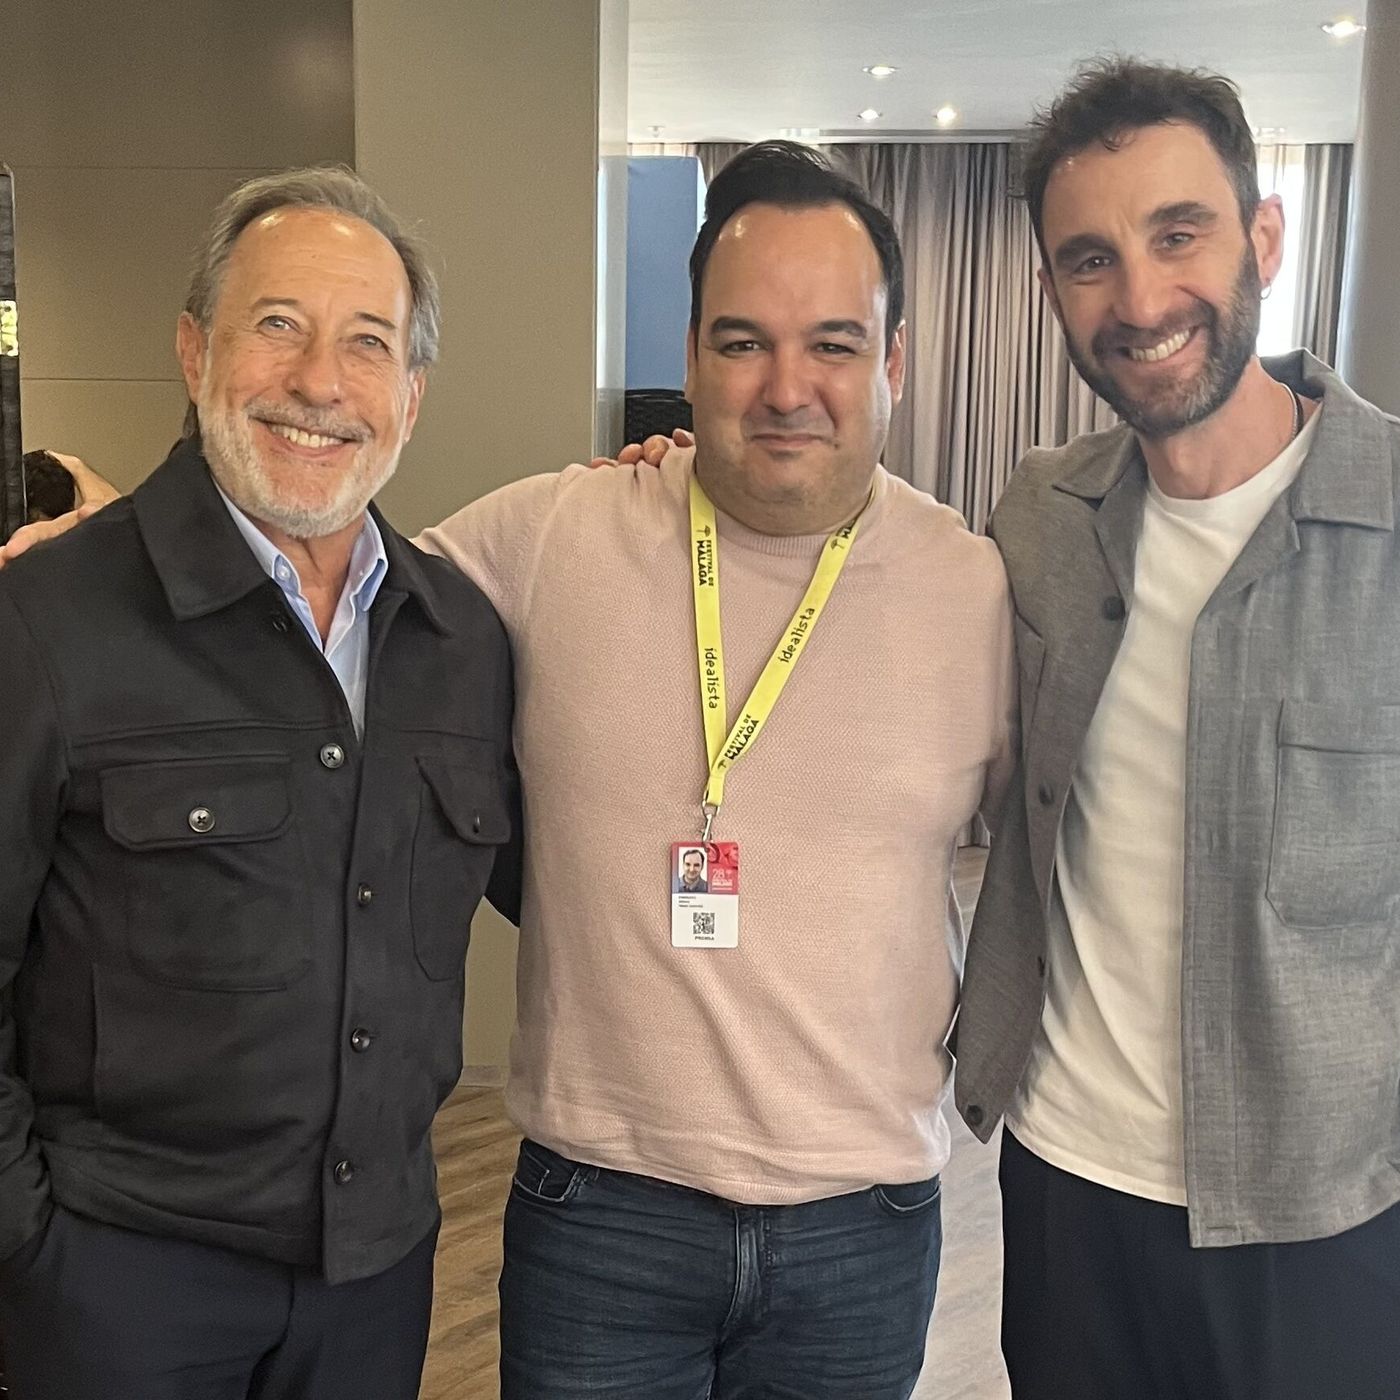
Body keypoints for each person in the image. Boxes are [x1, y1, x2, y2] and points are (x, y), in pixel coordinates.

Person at [10, 143, 1014, 1398]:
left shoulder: (978, 589)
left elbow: (1059, 857)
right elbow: (298, 574)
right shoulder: (546, 536)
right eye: (742, 340)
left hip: (861, 1221)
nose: (785, 386)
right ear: (689, 354)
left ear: (896, 361)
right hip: (598, 1215)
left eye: (833, 343)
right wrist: (90, 551)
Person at [0, 168, 518, 1400]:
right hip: (116, 1293)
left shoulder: (464, 643)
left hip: (376, 1286)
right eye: (277, 324)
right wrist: (29, 1251)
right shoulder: (47, 622)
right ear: (194, 351)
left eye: (367, 344)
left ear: (412, 394)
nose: (321, 382)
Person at [952, 58, 1400, 1399]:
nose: (1142, 302)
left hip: (1323, 1217)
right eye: (1090, 260)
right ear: (1048, 294)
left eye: (1179, 234)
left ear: (1265, 236)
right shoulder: (1037, 518)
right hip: (1066, 1187)